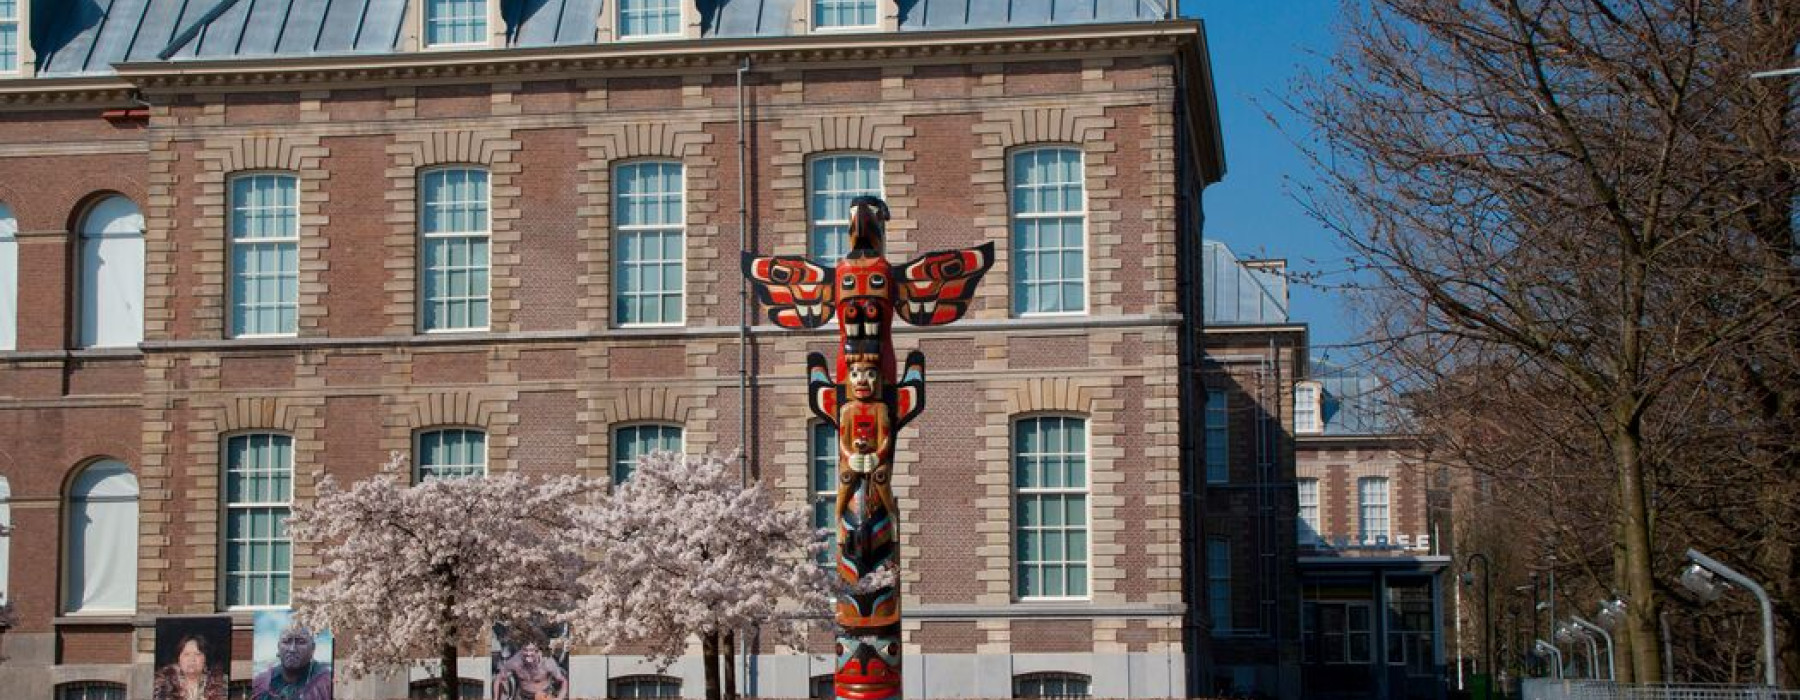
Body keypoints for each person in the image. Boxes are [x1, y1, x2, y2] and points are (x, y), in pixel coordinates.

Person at [251, 623, 333, 700]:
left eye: (301, 642)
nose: (292, 649)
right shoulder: (261, 683)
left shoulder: (326, 683)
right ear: (278, 647)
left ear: (312, 648)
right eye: (286, 641)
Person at [153, 633, 227, 700]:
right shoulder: (161, 687)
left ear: (205, 659)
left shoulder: (222, 685)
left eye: (197, 654)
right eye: (186, 654)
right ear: (178, 659)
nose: (192, 659)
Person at [491, 637, 567, 700]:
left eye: (531, 650)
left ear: (537, 650)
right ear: (521, 649)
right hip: (522, 695)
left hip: (543, 695)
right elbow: (499, 678)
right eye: (525, 650)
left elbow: (564, 681)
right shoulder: (515, 662)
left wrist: (559, 698)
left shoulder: (547, 662)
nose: (528, 654)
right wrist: (495, 698)